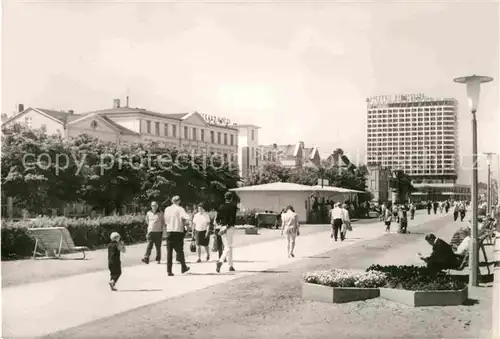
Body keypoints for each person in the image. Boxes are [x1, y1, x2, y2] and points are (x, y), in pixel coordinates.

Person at [164, 196, 191, 276]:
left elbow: (166, 221)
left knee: (169, 252)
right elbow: (187, 217)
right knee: (180, 251)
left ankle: (169, 270)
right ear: (178, 201)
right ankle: (183, 267)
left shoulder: (167, 209)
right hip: (178, 231)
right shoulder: (180, 209)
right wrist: (185, 224)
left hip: (169, 231)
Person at [215, 192, 238, 273]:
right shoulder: (233, 207)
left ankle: (230, 265)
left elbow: (217, 219)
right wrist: (227, 226)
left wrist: (221, 226)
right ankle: (221, 261)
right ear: (231, 198)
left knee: (227, 246)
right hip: (229, 228)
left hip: (222, 227)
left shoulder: (221, 206)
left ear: (225, 198)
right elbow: (232, 219)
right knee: (228, 247)